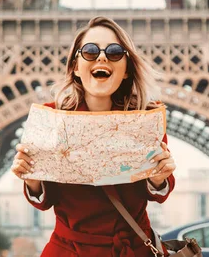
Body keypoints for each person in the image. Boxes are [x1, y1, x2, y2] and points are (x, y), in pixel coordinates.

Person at [10, 16, 176, 256]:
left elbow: (155, 193)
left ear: (127, 70)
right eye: (89, 50)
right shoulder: (51, 119)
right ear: (75, 67)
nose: (101, 57)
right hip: (71, 250)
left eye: (115, 51)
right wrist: (32, 179)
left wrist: (160, 178)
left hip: (130, 248)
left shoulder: (146, 119)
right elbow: (44, 200)